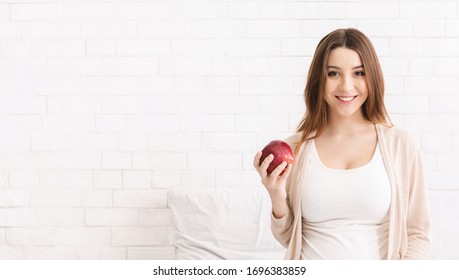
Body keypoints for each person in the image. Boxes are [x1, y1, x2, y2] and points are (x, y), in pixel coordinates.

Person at [253, 28, 431, 260]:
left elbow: (418, 234)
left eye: (358, 73)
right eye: (333, 73)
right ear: (319, 79)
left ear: (372, 77)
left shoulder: (400, 145)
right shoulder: (295, 149)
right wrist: (276, 195)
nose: (346, 86)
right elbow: (288, 238)